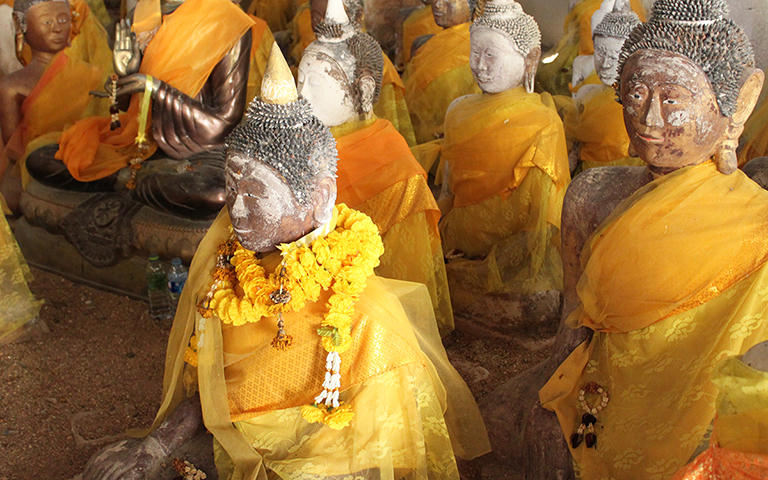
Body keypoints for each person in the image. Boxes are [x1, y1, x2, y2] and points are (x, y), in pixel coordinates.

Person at [80, 44, 490, 480]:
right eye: (231, 191)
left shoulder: (363, 320)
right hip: (235, 438)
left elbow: (370, 455)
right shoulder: (228, 273)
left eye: (256, 194)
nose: (236, 212)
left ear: (319, 198)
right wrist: (158, 444)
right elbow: (214, 392)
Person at [537, 1, 768, 478]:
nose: (648, 117)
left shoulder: (758, 224)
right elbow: (571, 330)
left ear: (736, 105)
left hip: (703, 417)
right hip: (603, 394)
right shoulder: (593, 195)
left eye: (673, 98)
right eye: (636, 93)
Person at [298, 0, 454, 334]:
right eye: (301, 81)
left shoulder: (395, 168)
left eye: (317, 82)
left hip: (371, 316)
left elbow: (408, 277)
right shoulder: (301, 146)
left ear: (363, 91)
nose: (302, 95)